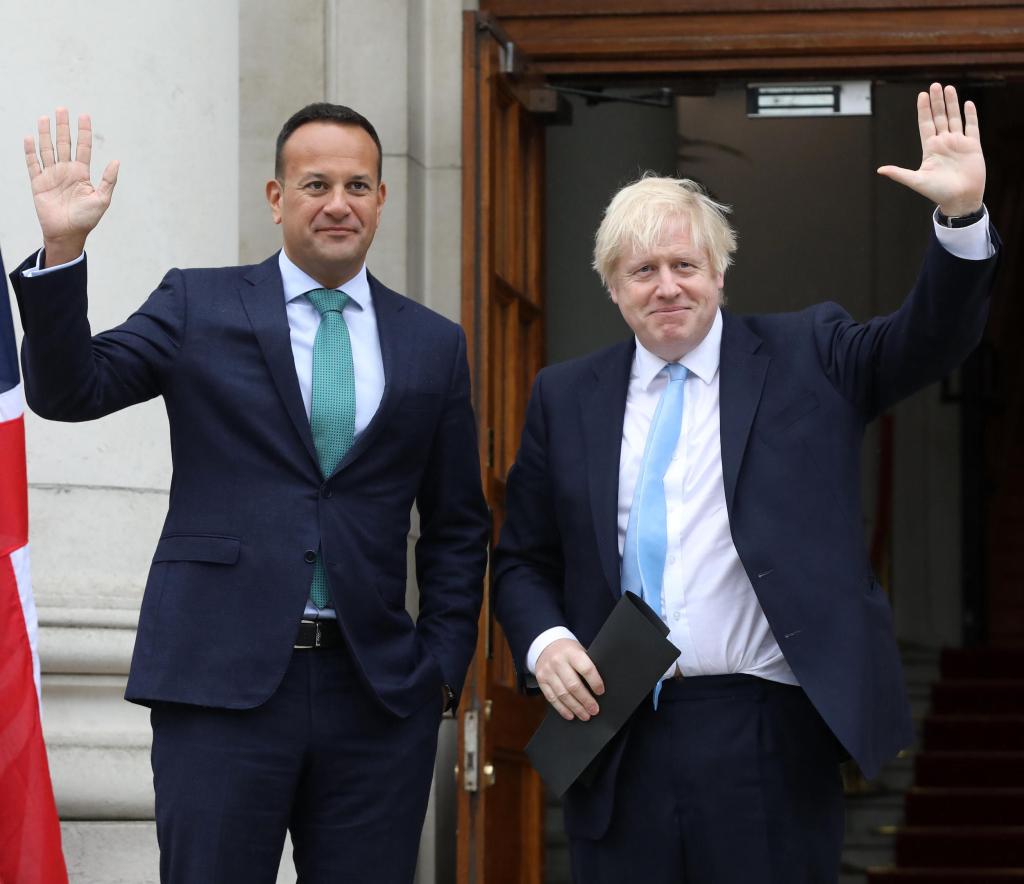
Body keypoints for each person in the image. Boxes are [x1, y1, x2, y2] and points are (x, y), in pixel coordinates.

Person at [492, 83, 999, 882]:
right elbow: (521, 557)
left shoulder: (810, 354)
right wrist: (547, 641)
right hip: (615, 735)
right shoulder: (566, 395)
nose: (667, 286)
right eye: (642, 270)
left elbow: (926, 341)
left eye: (685, 264)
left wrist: (961, 221)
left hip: (764, 730)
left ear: (720, 271)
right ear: (613, 288)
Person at [10, 103, 489, 883]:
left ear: (381, 199)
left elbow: (458, 525)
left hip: (374, 697)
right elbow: (69, 391)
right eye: (316, 183)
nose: (339, 202)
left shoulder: (433, 343)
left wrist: (439, 667)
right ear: (275, 198)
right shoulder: (198, 304)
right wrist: (64, 249)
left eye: (358, 184)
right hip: (219, 689)